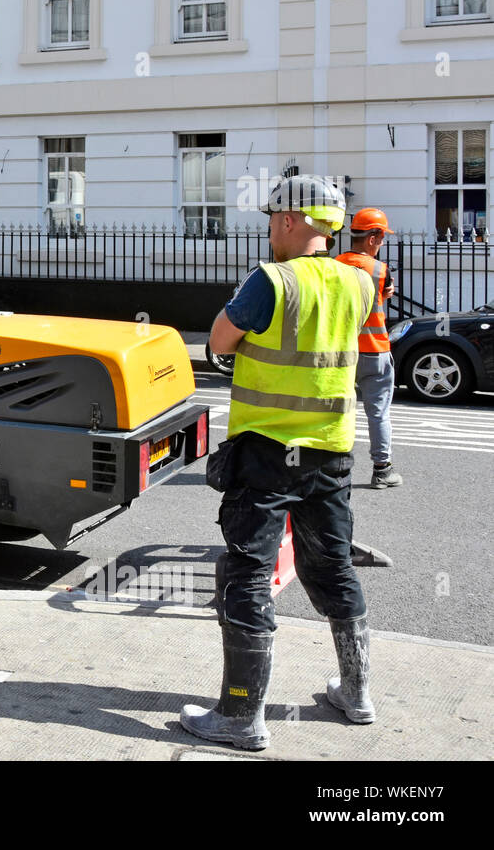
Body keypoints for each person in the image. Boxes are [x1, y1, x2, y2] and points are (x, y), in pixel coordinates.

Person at [181, 175, 377, 751]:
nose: (269, 229)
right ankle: (356, 692)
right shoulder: (358, 284)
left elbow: (219, 341)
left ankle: (241, 716)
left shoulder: (271, 280)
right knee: (333, 568)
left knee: (246, 574)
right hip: (330, 454)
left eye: (272, 219)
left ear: (291, 220)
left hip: (267, 454)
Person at [336, 208, 402, 488]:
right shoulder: (380, 270)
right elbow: (374, 306)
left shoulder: (335, 265)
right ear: (373, 238)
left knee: (339, 410)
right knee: (378, 413)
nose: (383, 243)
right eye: (382, 237)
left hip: (341, 351)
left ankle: (335, 467)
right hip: (375, 351)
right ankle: (382, 470)